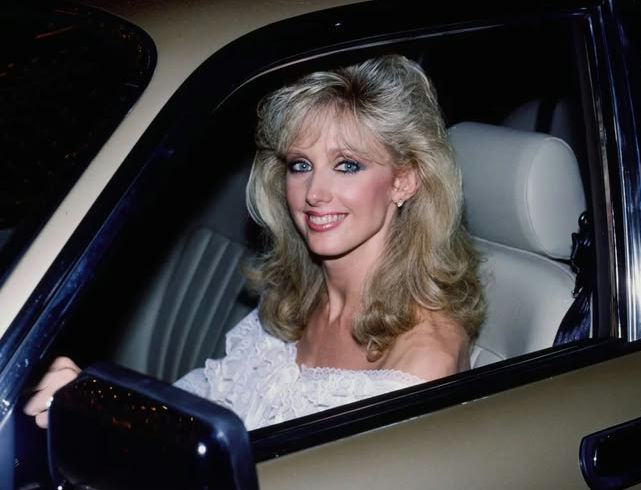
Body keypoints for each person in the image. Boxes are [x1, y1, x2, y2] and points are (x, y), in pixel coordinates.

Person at [24, 54, 485, 430]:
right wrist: (100, 406)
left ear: (404, 181)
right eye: (300, 165)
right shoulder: (297, 302)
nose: (314, 192)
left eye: (347, 165)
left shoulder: (421, 361)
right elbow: (206, 407)